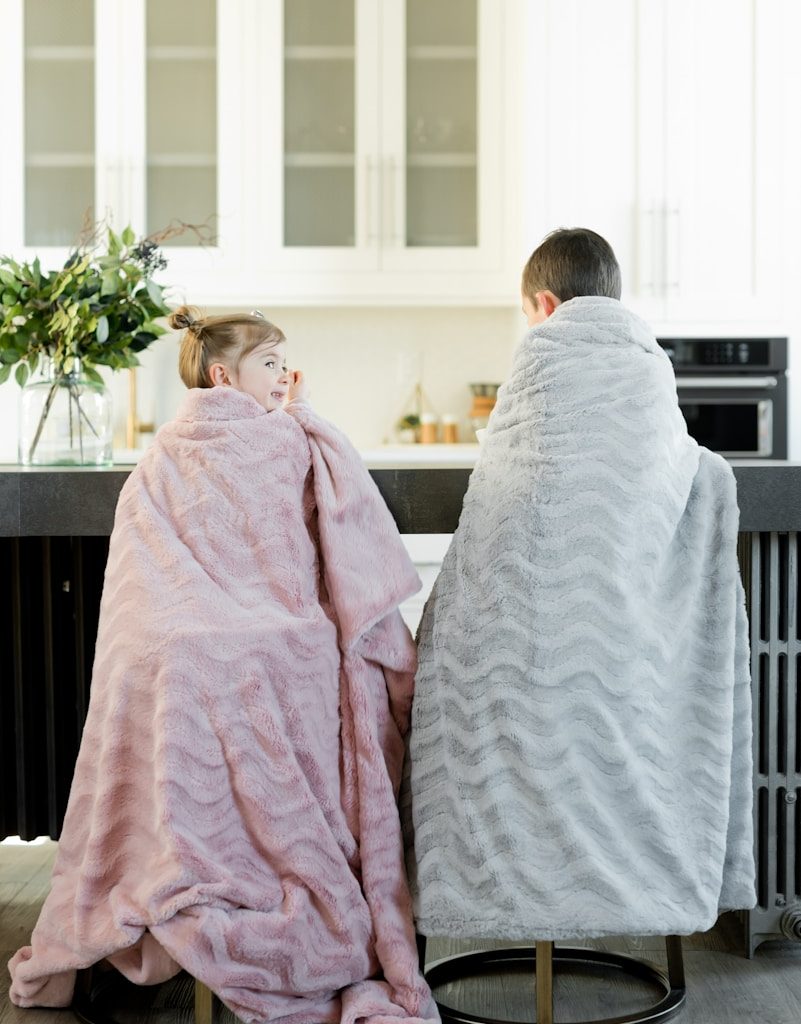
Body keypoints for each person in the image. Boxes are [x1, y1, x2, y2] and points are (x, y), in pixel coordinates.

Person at [9, 307, 437, 1024]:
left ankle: (193, 880)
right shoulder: (267, 442)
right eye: (269, 363)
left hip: (192, 635)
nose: (284, 375)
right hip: (244, 634)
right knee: (279, 658)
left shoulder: (192, 446)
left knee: (213, 662)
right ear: (221, 376)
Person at [403, 228, 756, 943]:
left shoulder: (543, 355)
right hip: (622, 654)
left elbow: (507, 486)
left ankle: (498, 901)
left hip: (521, 652)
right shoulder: (648, 369)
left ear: (542, 303)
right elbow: (675, 467)